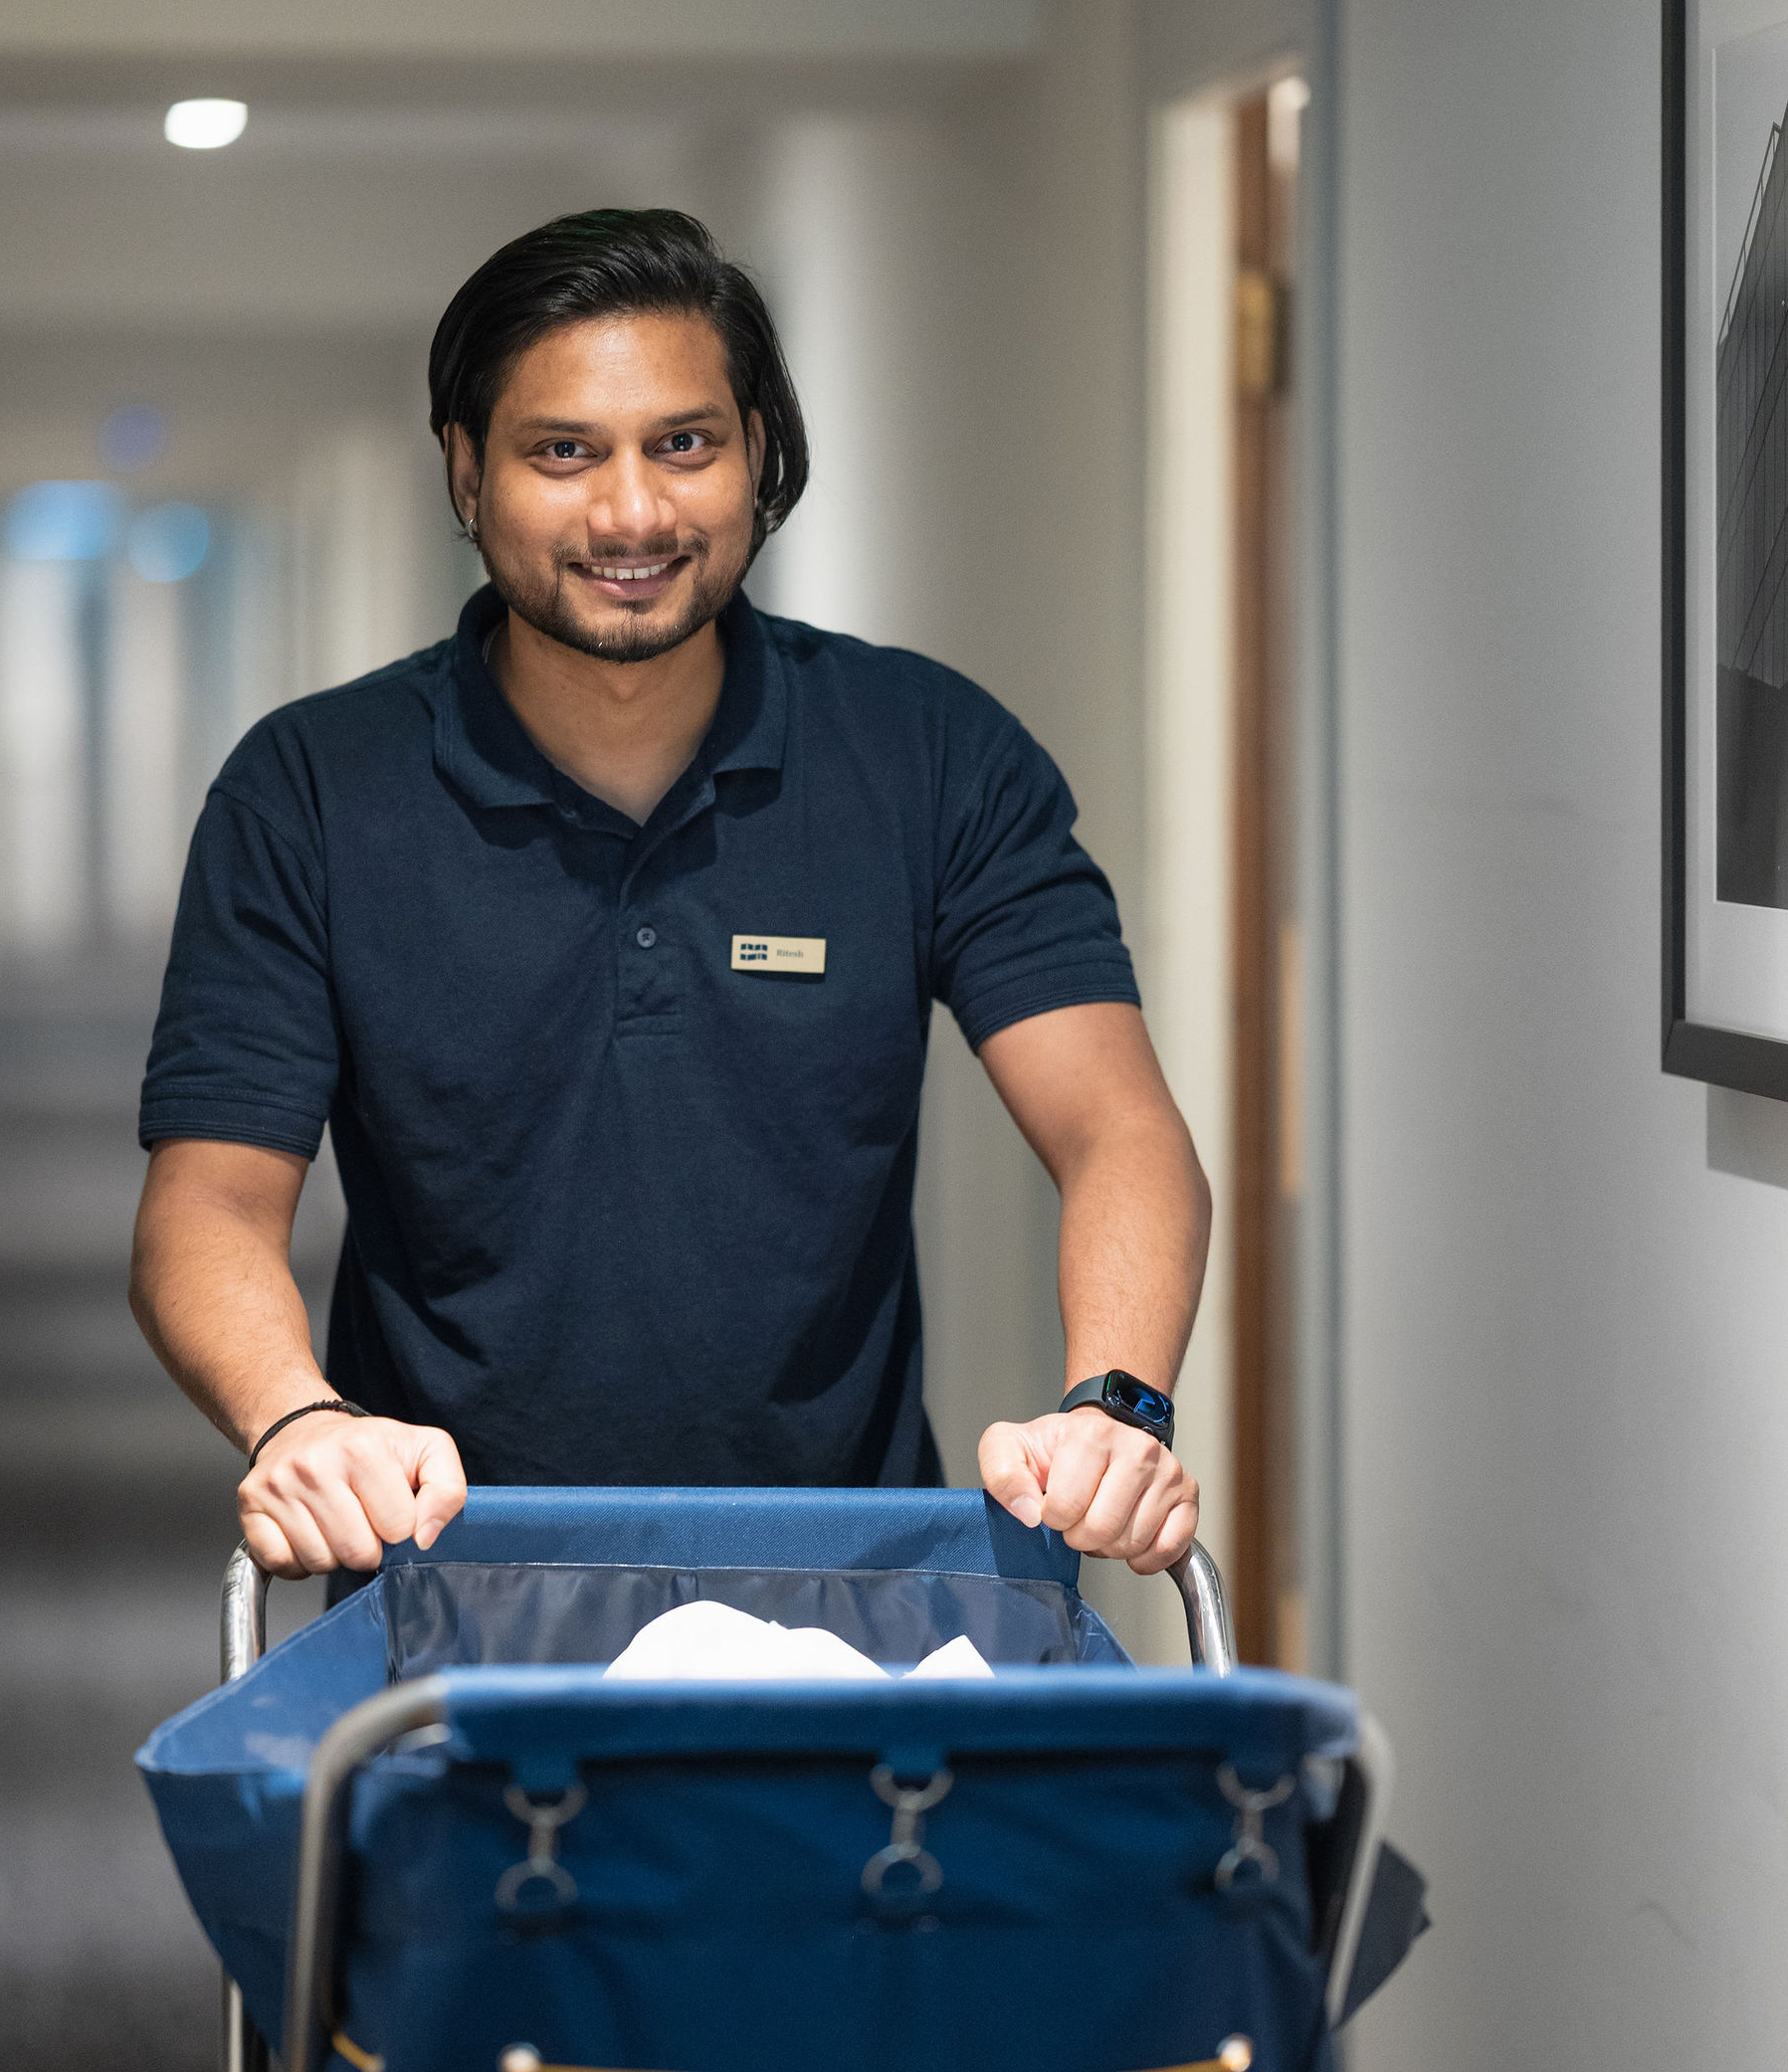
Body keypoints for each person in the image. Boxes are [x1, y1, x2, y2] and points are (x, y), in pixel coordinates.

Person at [129, 208, 1210, 1590]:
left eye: (684, 444)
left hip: (855, 1596)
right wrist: (299, 1420)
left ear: (759, 451)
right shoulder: (312, 790)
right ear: (465, 470)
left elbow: (1118, 1126)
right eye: (563, 452)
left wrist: (1116, 1405)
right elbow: (208, 1203)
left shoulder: (930, 754)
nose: (632, 513)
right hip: (449, 1587)